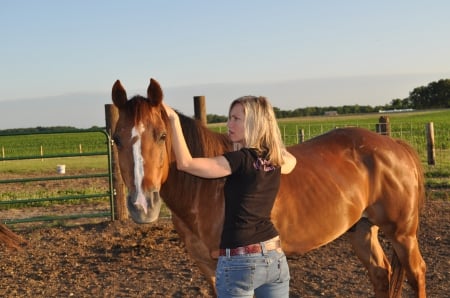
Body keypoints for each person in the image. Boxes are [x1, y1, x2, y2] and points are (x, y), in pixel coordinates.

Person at [163, 95, 296, 298]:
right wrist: (271, 142)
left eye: (236, 119)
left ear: (254, 123)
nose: (229, 124)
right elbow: (292, 160)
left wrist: (173, 120)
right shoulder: (276, 160)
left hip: (240, 264)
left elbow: (186, 164)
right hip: (274, 257)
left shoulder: (239, 160)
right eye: (229, 118)